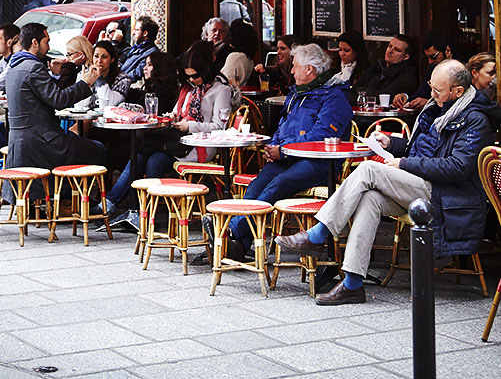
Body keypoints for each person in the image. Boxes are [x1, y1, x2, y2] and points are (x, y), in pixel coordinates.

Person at [277, 59, 496, 305]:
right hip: (423, 185)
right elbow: (421, 150)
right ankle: (352, 283)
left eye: (438, 91)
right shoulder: (440, 107)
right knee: (370, 199)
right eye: (431, 88)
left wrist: (403, 164)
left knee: (370, 169)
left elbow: (457, 167)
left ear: (457, 91)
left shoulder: (476, 119)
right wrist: (392, 143)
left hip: (447, 195)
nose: (431, 95)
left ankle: (319, 233)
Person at [210, 43, 353, 260]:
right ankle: (240, 244)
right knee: (258, 183)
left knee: (278, 184)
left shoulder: (334, 97)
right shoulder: (298, 94)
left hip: (321, 163)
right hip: (290, 157)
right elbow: (282, 127)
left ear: (310, 70)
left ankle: (231, 232)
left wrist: (283, 151)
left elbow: (319, 138)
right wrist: (273, 147)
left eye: (295, 66)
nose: (292, 71)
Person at [108, 42, 231, 222]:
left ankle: (145, 212)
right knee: (140, 155)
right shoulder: (188, 88)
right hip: (178, 141)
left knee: (153, 159)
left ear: (206, 71)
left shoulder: (221, 90)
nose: (192, 80)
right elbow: (176, 112)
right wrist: (171, 118)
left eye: (195, 76)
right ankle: (130, 208)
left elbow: (219, 127)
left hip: (199, 144)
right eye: (188, 77)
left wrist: (189, 126)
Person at [4, 22, 105, 171]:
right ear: (34, 43)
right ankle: (82, 193)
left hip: (21, 142)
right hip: (41, 142)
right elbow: (58, 99)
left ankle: (69, 190)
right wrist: (86, 83)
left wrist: (64, 70)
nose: (49, 48)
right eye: (47, 42)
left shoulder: (14, 66)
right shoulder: (34, 67)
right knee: (98, 149)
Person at [392, 31, 454, 112]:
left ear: (448, 51)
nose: (430, 61)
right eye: (427, 57)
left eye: (433, 57)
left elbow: (455, 102)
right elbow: (421, 93)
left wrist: (428, 103)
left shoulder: (460, 72)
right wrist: (405, 97)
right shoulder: (433, 68)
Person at [357, 32, 418, 100]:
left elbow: (384, 97)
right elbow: (355, 89)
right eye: (390, 46)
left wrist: (362, 91)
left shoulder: (407, 75)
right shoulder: (378, 66)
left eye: (397, 50)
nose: (390, 51)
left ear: (406, 57)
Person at [118, 16, 159, 81]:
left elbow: (136, 74)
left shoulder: (151, 52)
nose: (133, 33)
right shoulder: (136, 47)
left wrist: (119, 79)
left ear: (145, 33)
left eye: (137, 30)